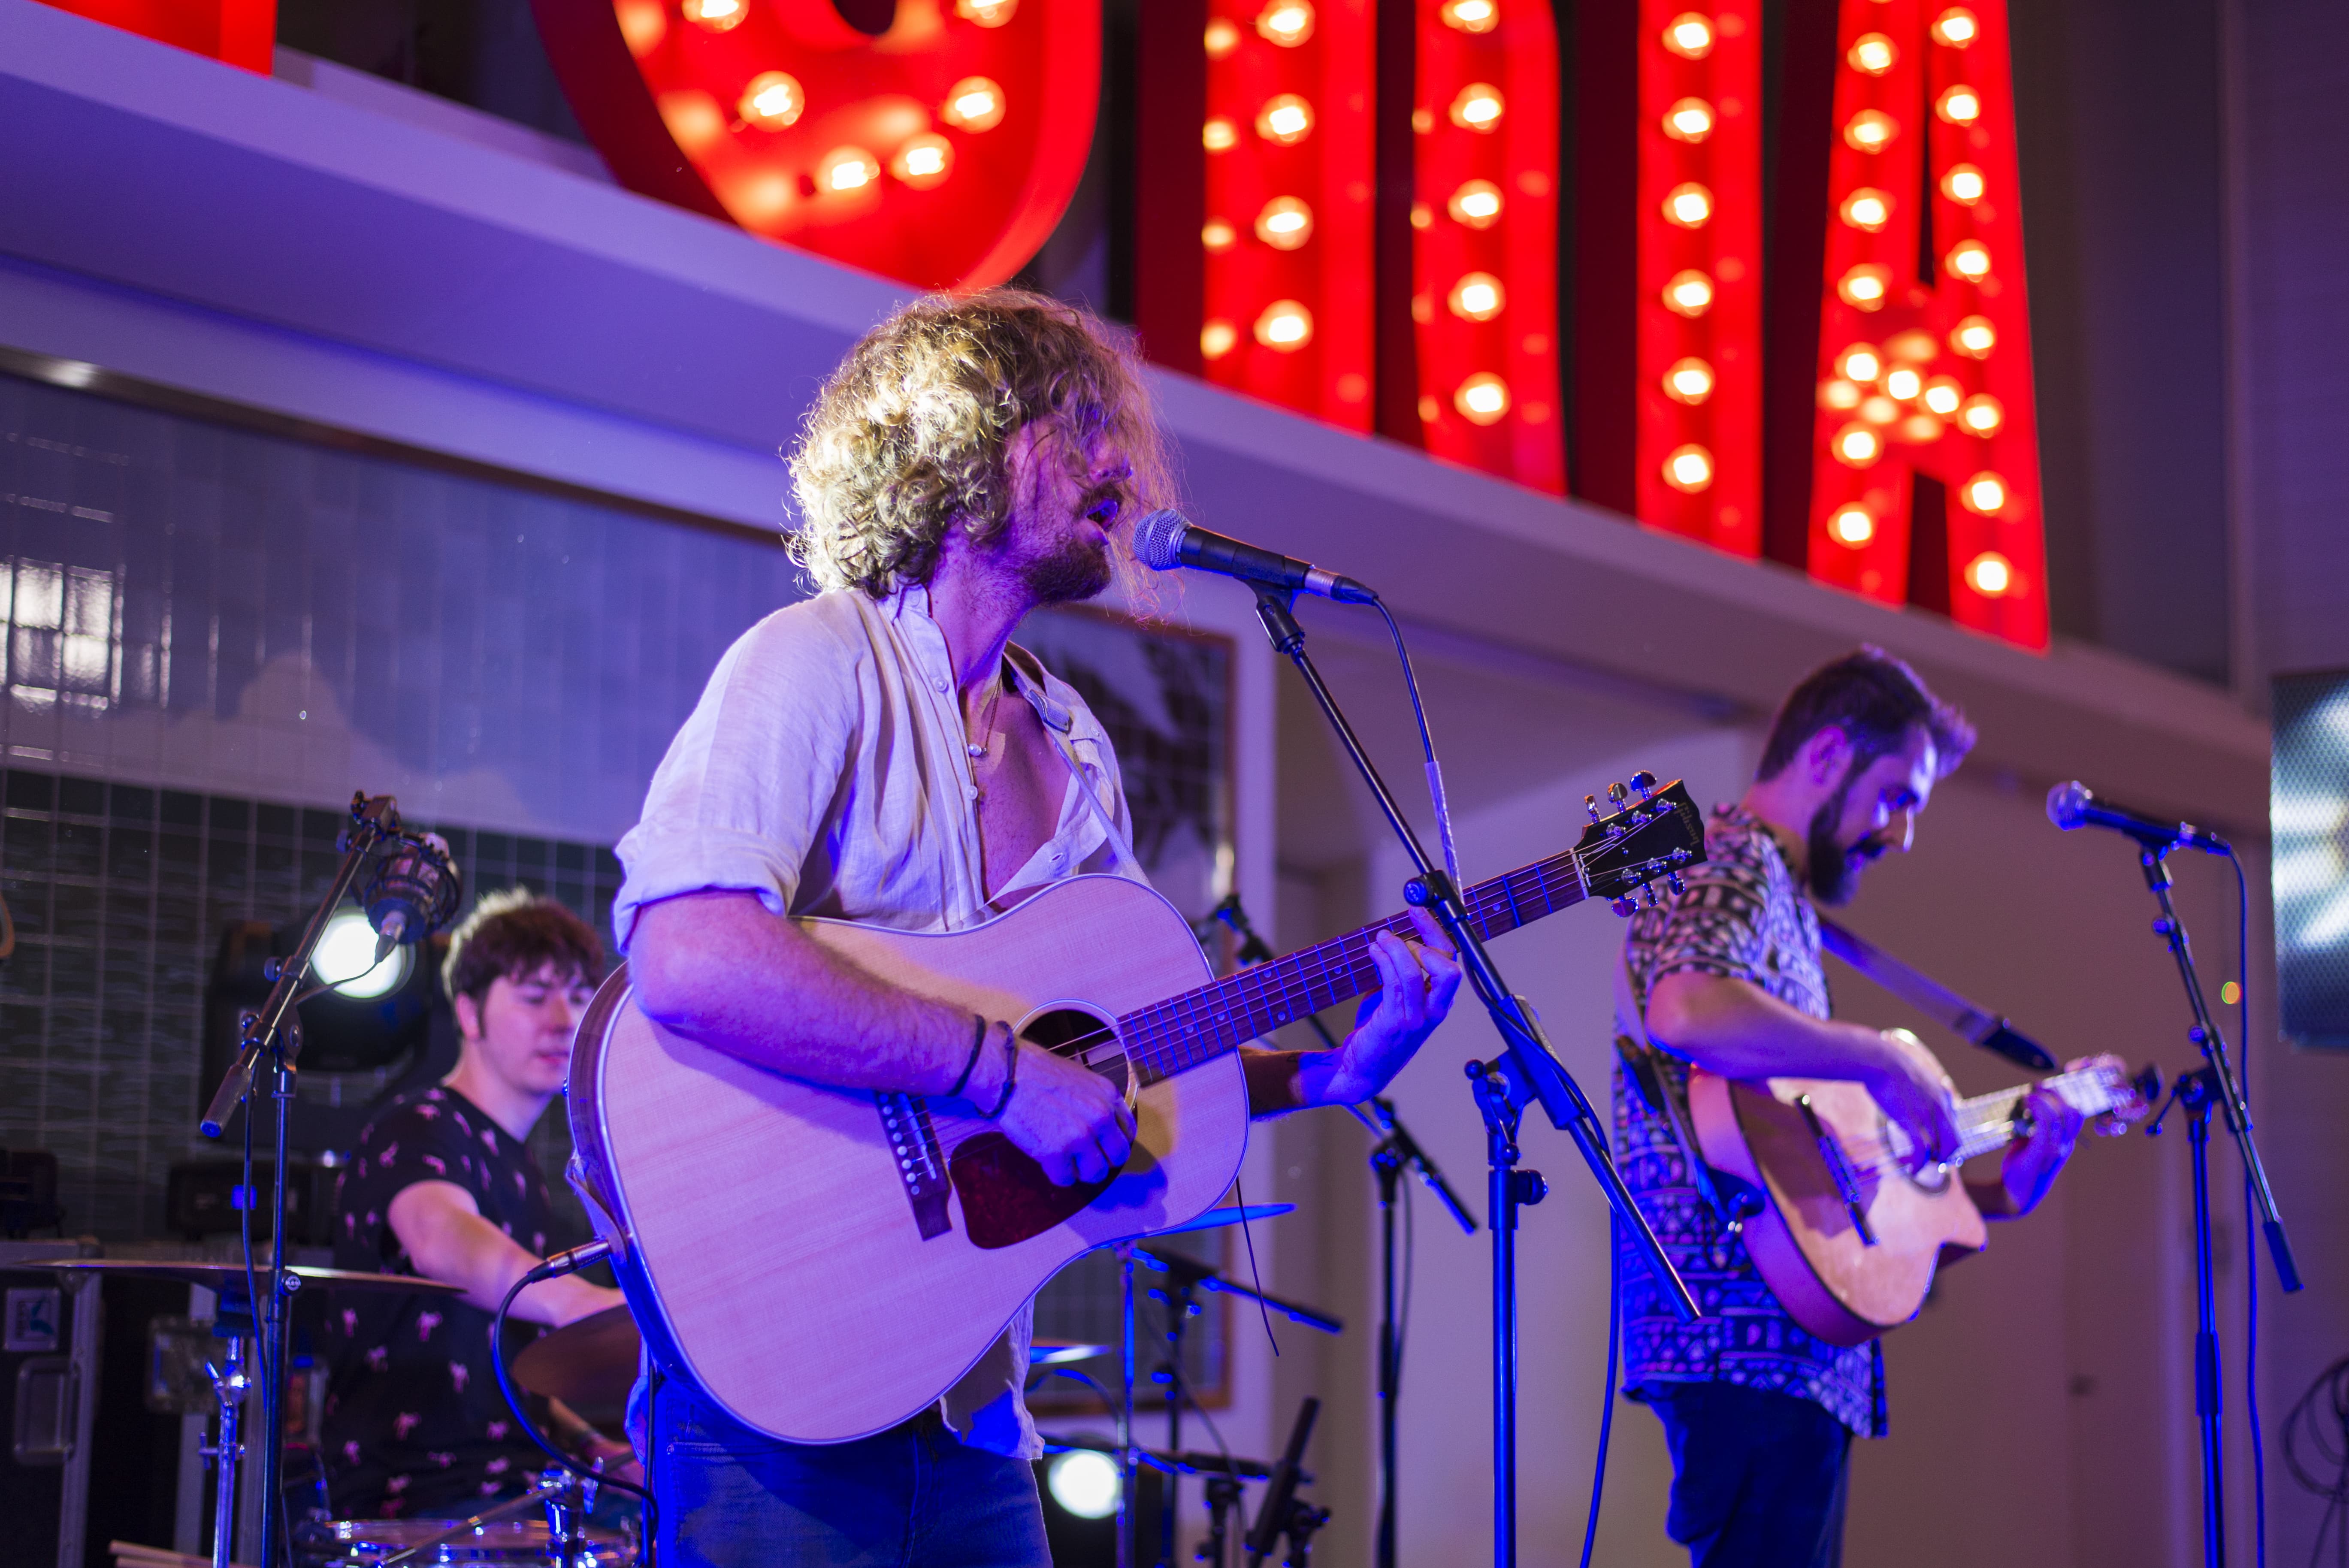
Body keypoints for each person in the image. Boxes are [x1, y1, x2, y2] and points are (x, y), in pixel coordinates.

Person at [610, 288, 1465, 1567]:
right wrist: (994, 1070)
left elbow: (1115, 1052)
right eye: (1073, 424)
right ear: (956, 443)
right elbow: (688, 956)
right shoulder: (815, 659)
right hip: (774, 1403)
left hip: (974, 1415)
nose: (1117, 460)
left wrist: (1340, 1073)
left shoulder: (1072, 744)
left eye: (1113, 427)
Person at [1613, 648, 2101, 1567]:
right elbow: (1681, 1007)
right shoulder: (1734, 860)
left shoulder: (1778, 900)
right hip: (1740, 1343)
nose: (1900, 831)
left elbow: (1824, 1169)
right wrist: (1879, 1058)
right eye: (1896, 794)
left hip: (1782, 1348)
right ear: (1827, 755)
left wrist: (2007, 1186)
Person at [323, 889, 634, 1517]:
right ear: (469, 1014)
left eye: (578, 997)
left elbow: (508, 1362)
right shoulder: (418, 1126)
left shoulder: (524, 1167)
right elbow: (442, 1240)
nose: (564, 1020)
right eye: (533, 994)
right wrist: (597, 1309)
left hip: (513, 1486)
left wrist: (595, 1445)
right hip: (420, 1502)